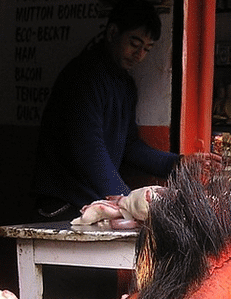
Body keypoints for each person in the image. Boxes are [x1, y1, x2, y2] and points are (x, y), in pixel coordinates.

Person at [32, 0, 181, 221]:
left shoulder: (125, 85)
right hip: (63, 203)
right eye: (134, 43)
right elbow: (87, 148)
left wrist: (176, 164)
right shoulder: (84, 76)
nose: (139, 54)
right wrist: (128, 201)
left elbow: (129, 146)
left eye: (147, 49)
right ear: (112, 32)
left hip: (93, 200)